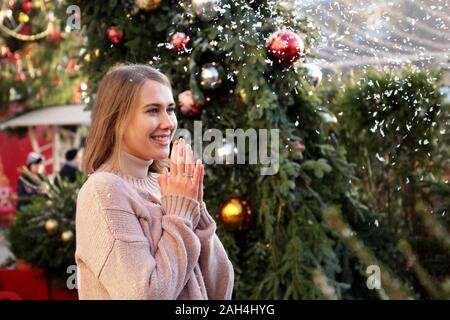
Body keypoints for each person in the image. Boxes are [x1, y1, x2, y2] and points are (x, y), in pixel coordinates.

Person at [75, 64, 234, 300]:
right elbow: (145, 295)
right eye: (152, 110)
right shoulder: (103, 190)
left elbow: (220, 288)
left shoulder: (167, 186)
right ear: (118, 119)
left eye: (170, 109)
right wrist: (180, 216)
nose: (169, 123)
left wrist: (194, 209)